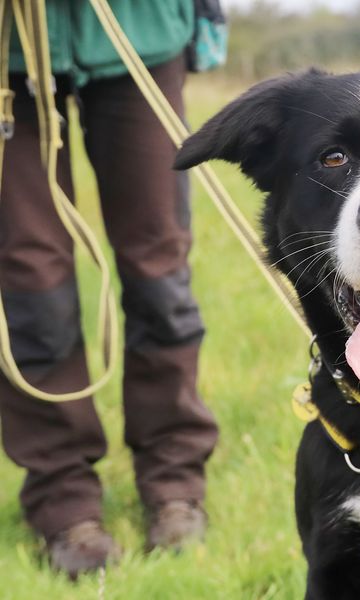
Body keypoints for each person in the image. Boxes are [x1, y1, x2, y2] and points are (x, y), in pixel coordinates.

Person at [0, 0, 218, 578]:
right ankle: (62, 497)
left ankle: (174, 480)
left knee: (158, 266)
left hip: (137, 28)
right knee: (29, 277)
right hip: (7, 52)